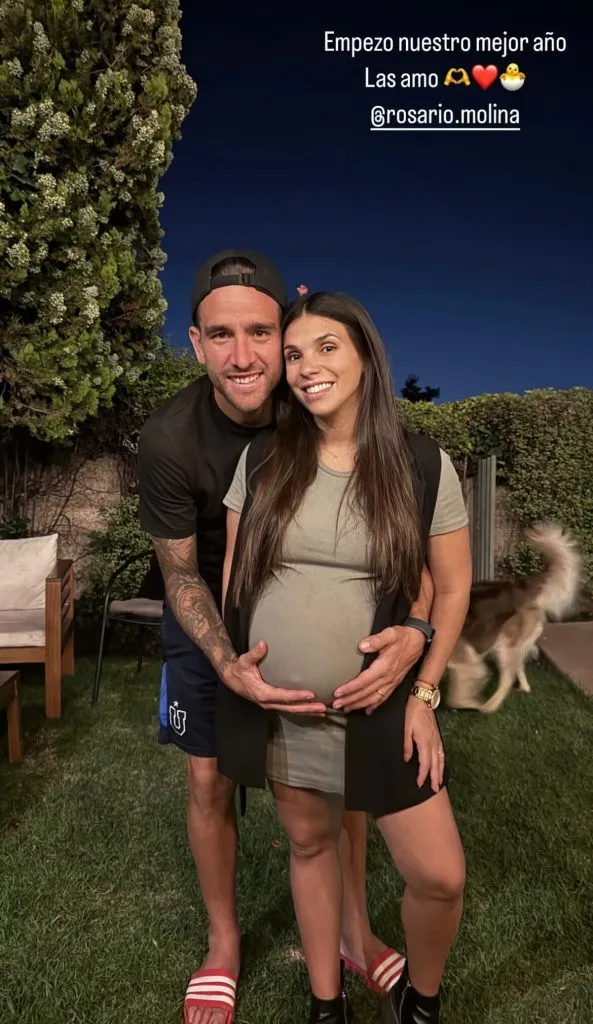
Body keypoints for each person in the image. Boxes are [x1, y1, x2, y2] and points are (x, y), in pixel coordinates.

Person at [137, 252, 437, 1024]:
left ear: (286, 335)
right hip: (208, 607)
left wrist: (413, 625)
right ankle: (224, 941)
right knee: (208, 780)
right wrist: (226, 659)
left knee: (340, 783)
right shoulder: (171, 439)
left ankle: (354, 932)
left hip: (307, 606)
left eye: (263, 333)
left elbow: (402, 532)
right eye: (221, 335)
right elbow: (180, 575)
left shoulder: (311, 400)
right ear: (195, 343)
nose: (246, 356)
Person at [219, 290, 472, 1024]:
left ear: (364, 356)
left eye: (326, 347)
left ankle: (421, 1005)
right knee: (309, 845)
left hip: (381, 704)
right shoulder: (263, 457)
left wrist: (423, 688)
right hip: (285, 708)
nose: (305, 367)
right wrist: (242, 667)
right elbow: (236, 577)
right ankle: (324, 1008)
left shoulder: (420, 465)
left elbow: (449, 589)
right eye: (293, 354)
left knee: (438, 875)